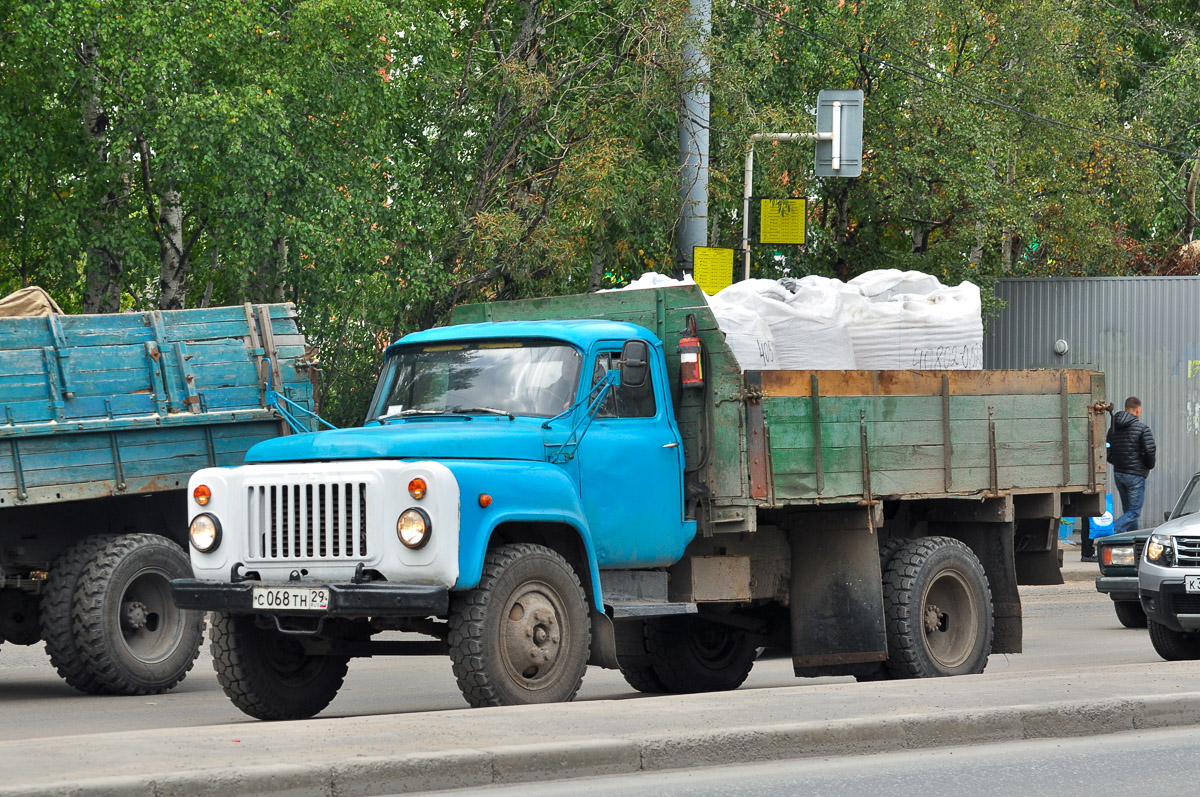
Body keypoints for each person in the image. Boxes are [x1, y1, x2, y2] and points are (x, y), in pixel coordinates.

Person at [1105, 395, 1156, 538]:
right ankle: (1111, 530)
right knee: (1134, 512)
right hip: (1135, 475)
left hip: (1119, 474)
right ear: (1138, 410)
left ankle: (1133, 540)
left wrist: (1116, 461)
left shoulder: (1113, 428)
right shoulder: (1142, 428)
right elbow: (1150, 451)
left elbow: (1107, 447)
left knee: (1129, 511)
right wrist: (1147, 466)